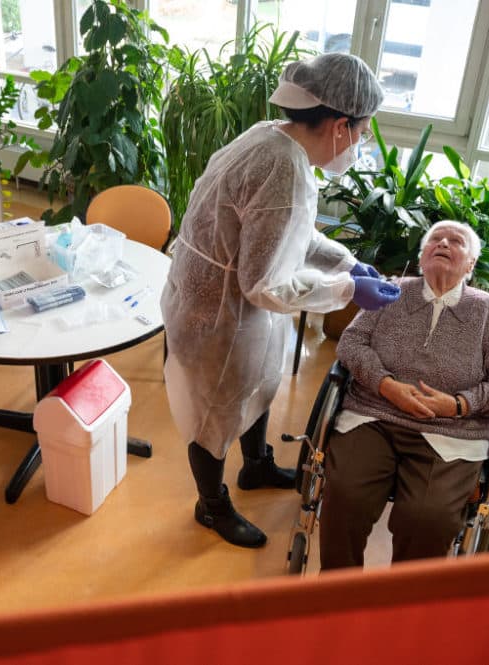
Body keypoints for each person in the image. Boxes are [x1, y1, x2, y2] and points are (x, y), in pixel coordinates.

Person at [162, 53, 402, 549]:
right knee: (213, 414)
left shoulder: (274, 136)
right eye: (361, 131)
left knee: (258, 384)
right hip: (218, 315)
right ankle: (211, 506)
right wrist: (345, 291)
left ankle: (255, 465)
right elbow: (265, 285)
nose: (359, 142)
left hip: (223, 299)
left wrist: (345, 262)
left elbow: (289, 232)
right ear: (339, 124)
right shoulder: (283, 169)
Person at [319, 221, 489, 569]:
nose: (443, 243)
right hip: (374, 415)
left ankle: (406, 606)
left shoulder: (486, 310)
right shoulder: (392, 292)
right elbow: (351, 343)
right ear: (422, 256)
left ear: (471, 264)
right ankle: (340, 593)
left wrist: (461, 404)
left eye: (456, 241)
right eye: (435, 239)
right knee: (346, 496)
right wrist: (386, 384)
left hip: (451, 432)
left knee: (428, 518)